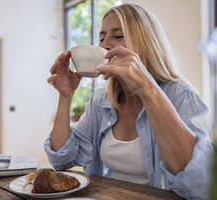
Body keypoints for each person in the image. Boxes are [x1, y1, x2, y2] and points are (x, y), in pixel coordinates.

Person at [45, 4, 214, 200]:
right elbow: (62, 159)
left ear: (144, 42)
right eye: (101, 38)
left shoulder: (181, 94)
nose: (104, 45)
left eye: (117, 36)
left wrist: (147, 88)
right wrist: (65, 96)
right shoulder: (101, 100)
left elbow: (201, 185)